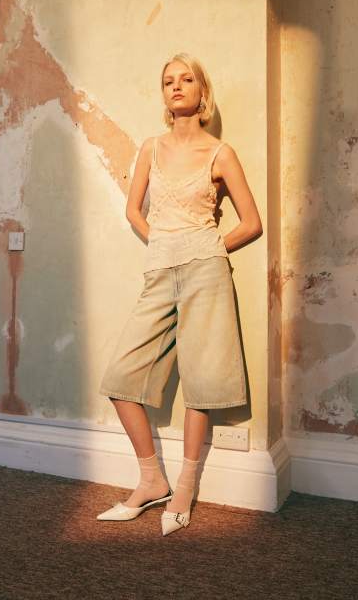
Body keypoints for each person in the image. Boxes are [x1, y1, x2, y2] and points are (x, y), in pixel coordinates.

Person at [96, 52, 263, 535]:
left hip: (206, 271)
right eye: (169, 80)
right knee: (121, 377)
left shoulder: (220, 153)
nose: (176, 86)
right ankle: (152, 479)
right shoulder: (150, 148)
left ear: (201, 92)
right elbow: (133, 211)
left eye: (187, 79)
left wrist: (206, 247)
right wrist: (164, 244)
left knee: (201, 379)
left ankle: (185, 486)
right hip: (160, 269)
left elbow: (251, 223)